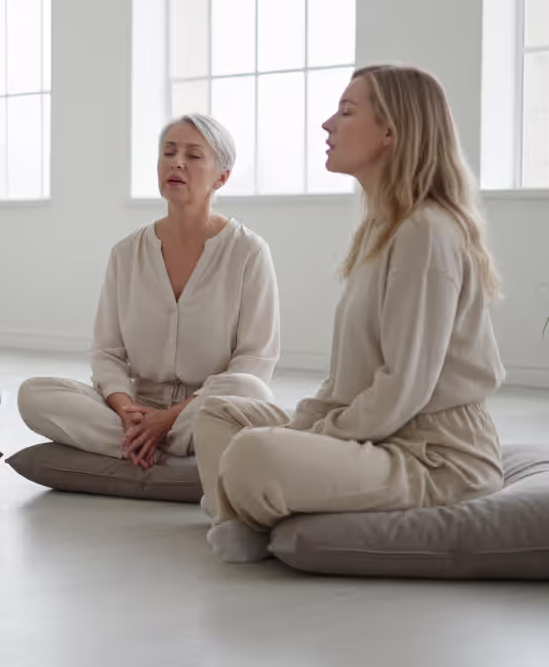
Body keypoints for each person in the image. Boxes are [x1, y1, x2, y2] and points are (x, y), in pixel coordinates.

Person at [195, 65, 505, 563]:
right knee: (217, 416)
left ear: (390, 132)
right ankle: (255, 514)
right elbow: (347, 381)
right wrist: (305, 426)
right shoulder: (383, 229)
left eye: (345, 112)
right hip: (376, 435)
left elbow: (403, 388)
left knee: (254, 455)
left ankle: (248, 515)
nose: (327, 125)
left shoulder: (427, 232)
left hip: (433, 456)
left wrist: (309, 438)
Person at [18, 113, 280, 470]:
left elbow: (254, 362)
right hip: (137, 407)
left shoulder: (248, 251)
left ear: (222, 176)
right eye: (168, 152)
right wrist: (124, 407)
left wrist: (170, 418)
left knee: (251, 392)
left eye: (193, 155)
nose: (176, 162)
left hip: (203, 406)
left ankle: (143, 447)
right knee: (35, 394)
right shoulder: (126, 253)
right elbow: (106, 352)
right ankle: (166, 450)